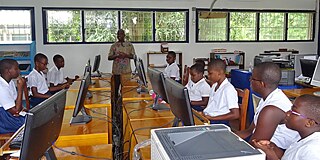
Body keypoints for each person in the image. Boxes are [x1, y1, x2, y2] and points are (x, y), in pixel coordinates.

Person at [235, 62, 300, 157]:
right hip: (264, 144)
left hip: (276, 151)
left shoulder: (271, 110)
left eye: (252, 79)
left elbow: (255, 145)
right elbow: (250, 131)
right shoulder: (266, 99)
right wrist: (229, 136)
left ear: (262, 84)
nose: (250, 81)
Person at [253, 95, 320, 160]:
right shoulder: (304, 138)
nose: (287, 113)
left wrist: (270, 155)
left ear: (309, 123)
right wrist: (272, 148)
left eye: (293, 112)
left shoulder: (312, 150)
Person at [202, 59, 239, 125]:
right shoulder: (214, 85)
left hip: (219, 122)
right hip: (209, 118)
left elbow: (235, 114)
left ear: (220, 73)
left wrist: (211, 118)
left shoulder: (228, 89)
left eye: (210, 73)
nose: (208, 76)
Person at [108, 29, 135, 98]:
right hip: (117, 71)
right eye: (118, 35)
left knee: (126, 89)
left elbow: (133, 56)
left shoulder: (129, 45)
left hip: (126, 71)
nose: (119, 36)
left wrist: (125, 55)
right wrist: (116, 55)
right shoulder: (114, 45)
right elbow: (109, 57)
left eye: (121, 34)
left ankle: (124, 104)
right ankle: (116, 103)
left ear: (124, 35)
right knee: (116, 88)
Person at [0, 59, 25, 134]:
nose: (19, 71)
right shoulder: (2, 87)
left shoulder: (10, 82)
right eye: (16, 69)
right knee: (30, 124)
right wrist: (20, 89)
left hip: (9, 113)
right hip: (3, 119)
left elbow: (16, 103)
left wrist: (22, 110)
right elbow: (16, 111)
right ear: (8, 71)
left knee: (34, 118)